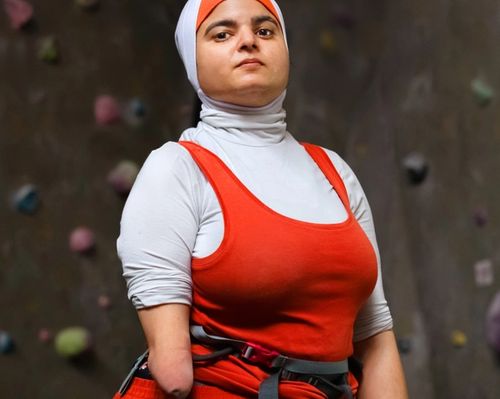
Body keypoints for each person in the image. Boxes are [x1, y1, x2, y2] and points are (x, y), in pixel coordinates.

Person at [113, 0, 409, 398]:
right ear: (191, 59)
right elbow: (173, 371)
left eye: (265, 31)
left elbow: (375, 335)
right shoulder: (176, 169)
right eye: (222, 33)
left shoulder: (334, 171)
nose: (248, 41)